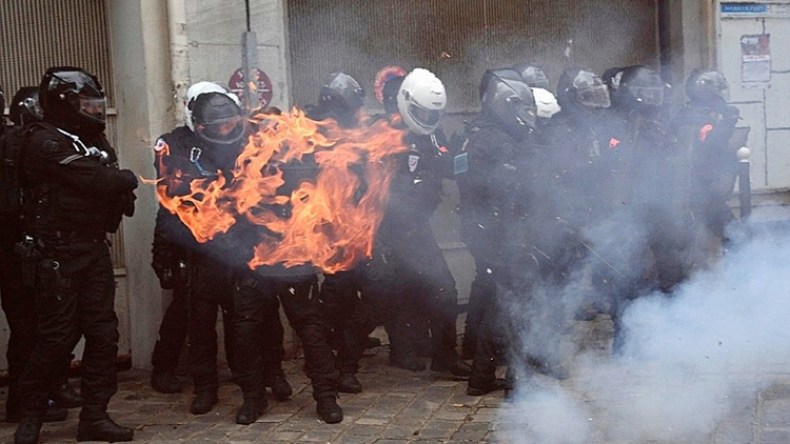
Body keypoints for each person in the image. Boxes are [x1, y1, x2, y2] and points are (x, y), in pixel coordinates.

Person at [12, 66, 137, 444]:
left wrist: (116, 183)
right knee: (56, 338)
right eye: (86, 103)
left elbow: (112, 186)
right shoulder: (43, 140)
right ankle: (30, 414)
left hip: (92, 249)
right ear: (65, 103)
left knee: (103, 335)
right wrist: (120, 180)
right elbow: (100, 179)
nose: (94, 110)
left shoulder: (91, 138)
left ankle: (95, 416)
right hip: (58, 253)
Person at [372, 67, 470, 377]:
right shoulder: (383, 133)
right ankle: (416, 352)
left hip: (417, 224)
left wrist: (465, 156)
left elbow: (446, 165)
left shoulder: (432, 131)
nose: (426, 117)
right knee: (434, 288)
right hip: (390, 227)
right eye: (421, 111)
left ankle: (425, 352)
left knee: (419, 289)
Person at [1, 86, 84, 424]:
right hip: (11, 248)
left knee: (40, 323)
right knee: (28, 325)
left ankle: (46, 388)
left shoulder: (16, 141)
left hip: (22, 246)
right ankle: (24, 401)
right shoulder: (13, 143)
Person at [457, 68, 538, 395]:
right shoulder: (499, 141)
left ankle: (481, 376)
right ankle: (514, 381)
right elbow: (512, 192)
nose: (523, 115)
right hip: (501, 232)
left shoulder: (474, 131)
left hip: (481, 229)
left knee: (496, 297)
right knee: (511, 301)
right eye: (518, 107)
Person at [672, 70, 742, 246]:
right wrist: (727, 123)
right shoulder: (692, 117)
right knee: (731, 233)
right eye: (716, 93)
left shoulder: (707, 114)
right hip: (694, 189)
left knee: (729, 233)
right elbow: (708, 141)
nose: (721, 98)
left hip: (708, 187)